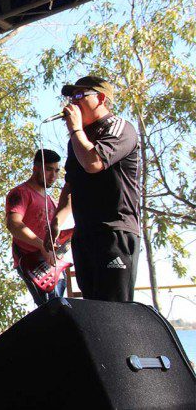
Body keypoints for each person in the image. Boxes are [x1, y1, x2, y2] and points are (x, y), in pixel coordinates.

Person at [46, 76, 140, 302]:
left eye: (80, 95)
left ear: (101, 98)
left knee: (113, 309)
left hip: (114, 232)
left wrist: (75, 129)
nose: (73, 102)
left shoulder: (119, 127)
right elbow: (71, 183)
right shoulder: (77, 140)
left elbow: (93, 162)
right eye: (71, 97)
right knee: (93, 306)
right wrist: (56, 221)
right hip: (85, 235)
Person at [6, 149, 67, 306]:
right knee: (52, 310)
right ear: (35, 168)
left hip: (53, 265)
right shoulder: (21, 192)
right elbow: (14, 224)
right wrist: (42, 245)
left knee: (60, 308)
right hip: (32, 262)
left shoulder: (51, 200)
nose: (53, 175)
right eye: (48, 169)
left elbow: (54, 234)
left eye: (57, 171)